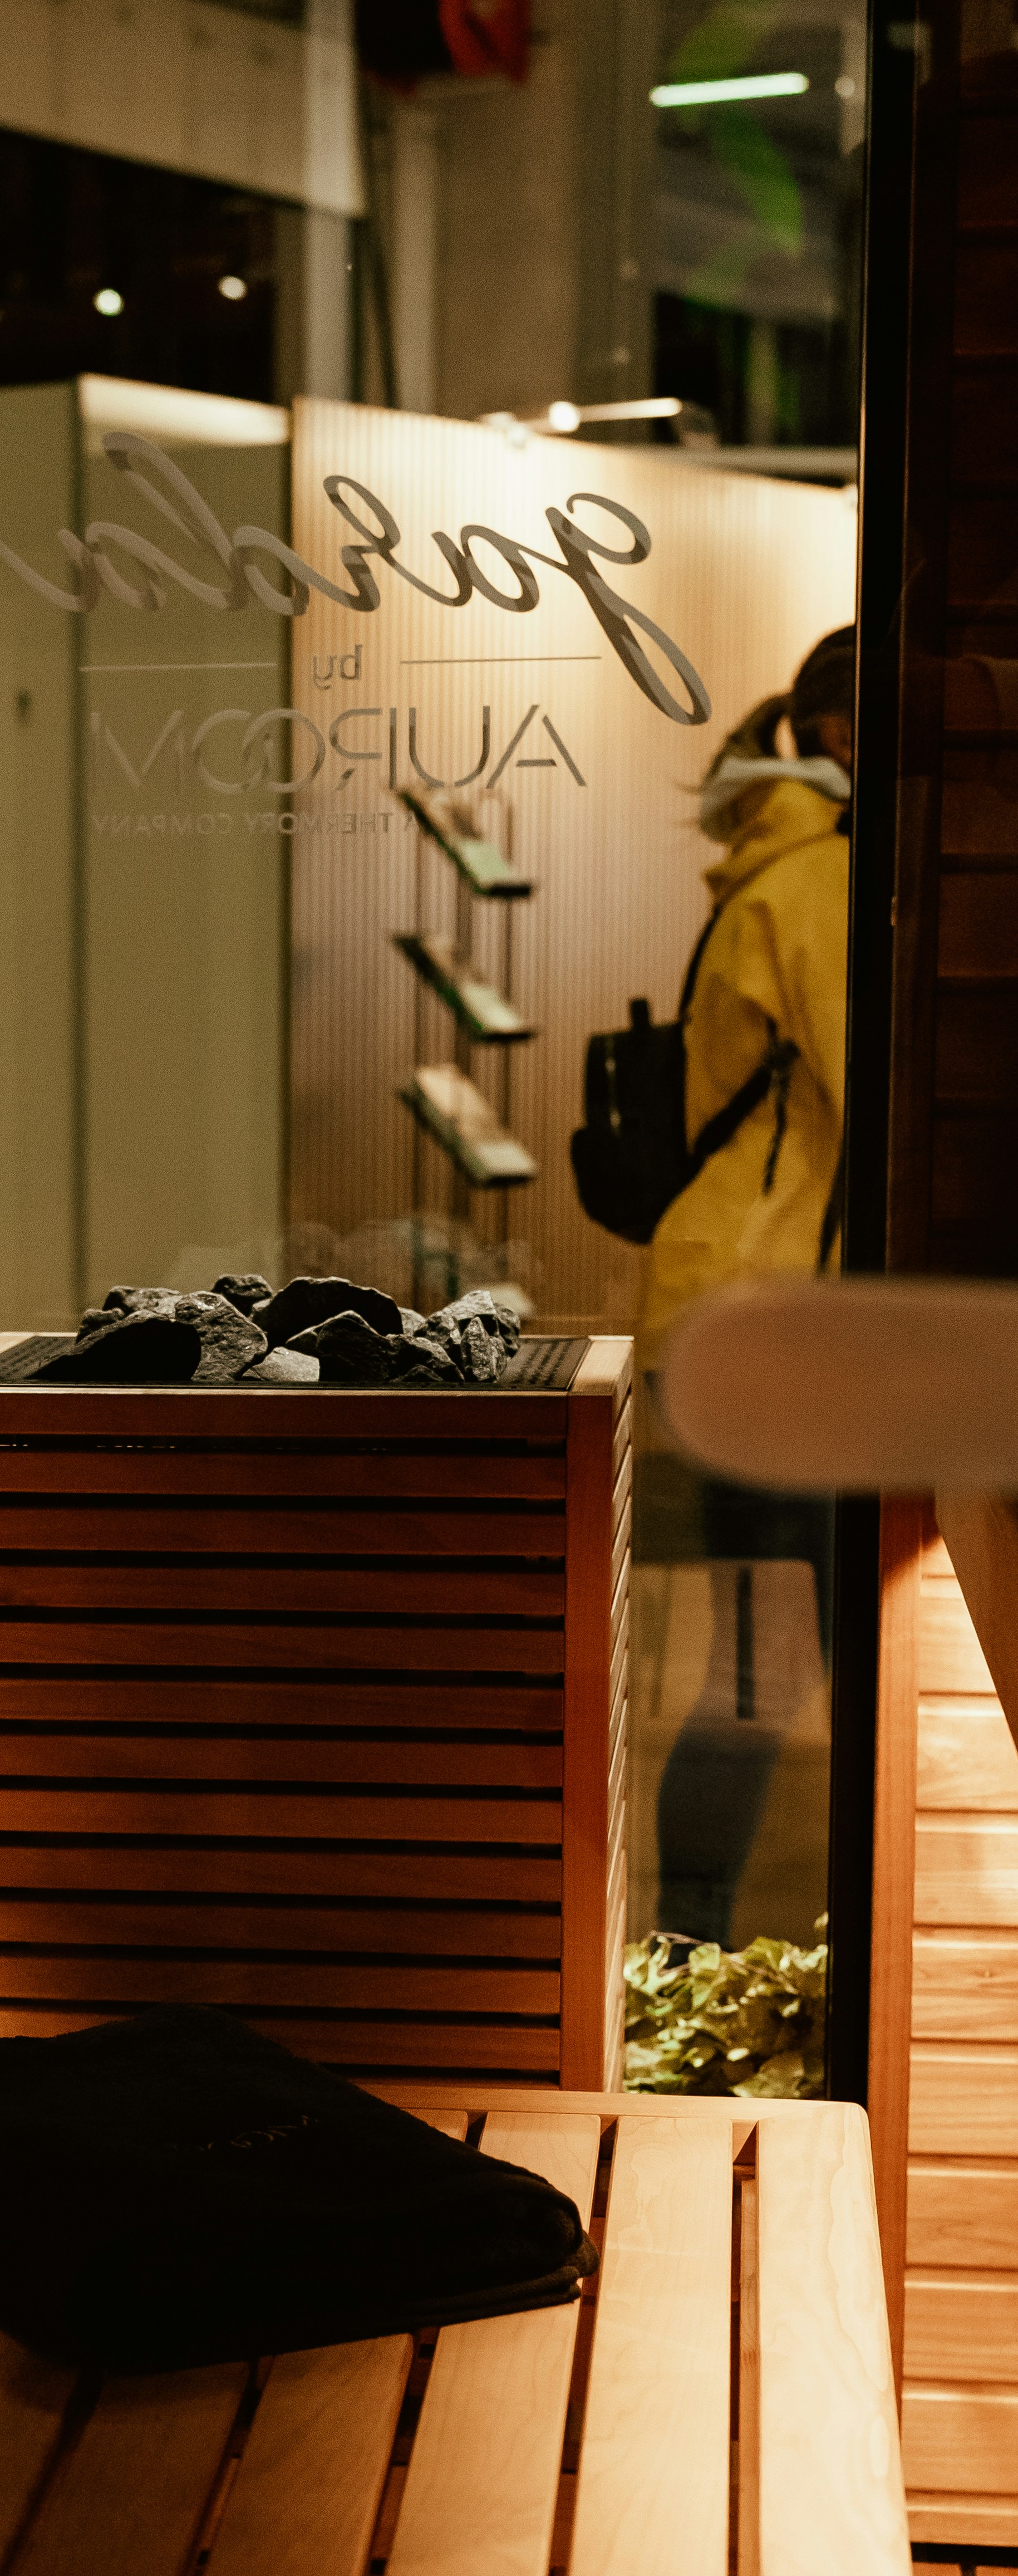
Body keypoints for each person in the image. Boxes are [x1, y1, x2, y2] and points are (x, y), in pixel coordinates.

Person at [645, 626, 853, 1949]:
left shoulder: (786, 864)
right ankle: (688, 1945)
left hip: (748, 1310)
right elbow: (870, 1086)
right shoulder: (820, 877)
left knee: (766, 1653)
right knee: (768, 1659)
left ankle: (694, 1938)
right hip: (771, 1320)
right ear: (845, 734)